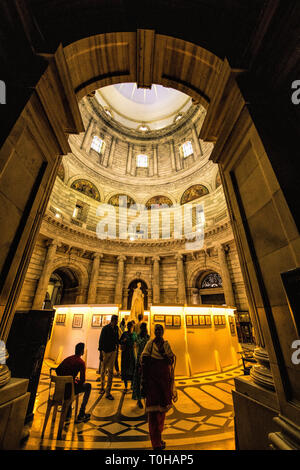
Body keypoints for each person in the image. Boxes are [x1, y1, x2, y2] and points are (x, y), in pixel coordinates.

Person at [141, 324, 176, 450]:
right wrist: (144, 381)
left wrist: (165, 356)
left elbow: (171, 360)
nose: (158, 331)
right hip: (152, 381)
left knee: (161, 413)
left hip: (163, 382)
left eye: (160, 329)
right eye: (156, 329)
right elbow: (144, 359)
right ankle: (155, 443)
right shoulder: (150, 344)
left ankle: (159, 438)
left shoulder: (166, 344)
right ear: (154, 331)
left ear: (163, 331)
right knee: (153, 414)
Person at [56, 342, 91, 423]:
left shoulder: (68, 359)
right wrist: (74, 381)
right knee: (88, 386)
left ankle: (68, 415)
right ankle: (81, 413)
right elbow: (82, 380)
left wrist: (66, 379)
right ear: (82, 351)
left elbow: (58, 370)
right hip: (70, 389)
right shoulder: (81, 362)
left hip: (62, 388)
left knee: (70, 386)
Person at [98, 314, 119, 400]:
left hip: (113, 351)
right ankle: (102, 387)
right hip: (105, 352)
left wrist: (119, 344)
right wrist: (100, 353)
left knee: (110, 371)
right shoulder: (105, 328)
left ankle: (108, 392)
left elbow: (117, 339)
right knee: (103, 370)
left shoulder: (116, 329)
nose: (117, 321)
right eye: (116, 320)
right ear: (113, 320)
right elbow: (101, 340)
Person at [132, 322, 149, 408]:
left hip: (146, 360)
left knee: (146, 380)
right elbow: (137, 344)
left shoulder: (148, 337)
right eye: (143, 328)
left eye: (144, 328)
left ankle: (146, 399)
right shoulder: (138, 336)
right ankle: (139, 399)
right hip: (139, 359)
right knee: (138, 380)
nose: (144, 330)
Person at [119, 321, 137, 392]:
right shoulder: (124, 334)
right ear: (127, 326)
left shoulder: (134, 334)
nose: (130, 327)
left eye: (131, 326)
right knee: (125, 368)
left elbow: (137, 341)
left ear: (133, 327)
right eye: (129, 326)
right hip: (125, 353)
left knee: (133, 368)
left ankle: (132, 385)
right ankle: (126, 386)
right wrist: (123, 341)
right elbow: (119, 341)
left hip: (132, 353)